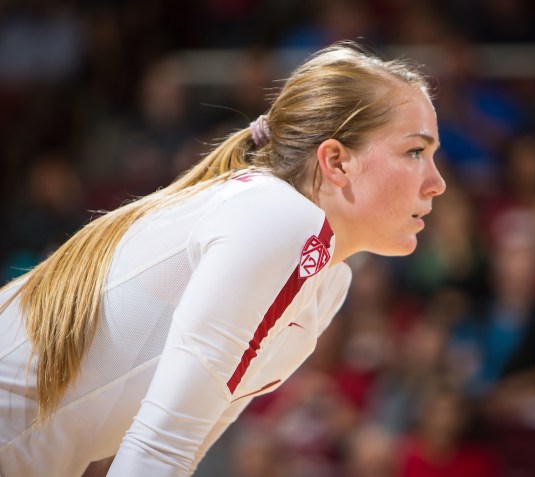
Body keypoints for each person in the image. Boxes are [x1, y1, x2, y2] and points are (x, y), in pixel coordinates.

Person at [0, 42, 445, 476]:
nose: (437, 182)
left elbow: (174, 455)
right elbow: (157, 452)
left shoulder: (327, 281)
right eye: (414, 152)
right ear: (336, 161)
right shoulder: (277, 217)